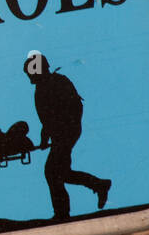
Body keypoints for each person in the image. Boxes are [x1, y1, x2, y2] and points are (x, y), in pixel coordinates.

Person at [22, 54, 112, 220]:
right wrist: (46, 138)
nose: (30, 77)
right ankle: (99, 185)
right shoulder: (43, 88)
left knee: (52, 172)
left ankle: (62, 213)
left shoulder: (56, 83)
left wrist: (62, 131)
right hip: (61, 134)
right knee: (61, 173)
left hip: (67, 133)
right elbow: (46, 120)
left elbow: (74, 107)